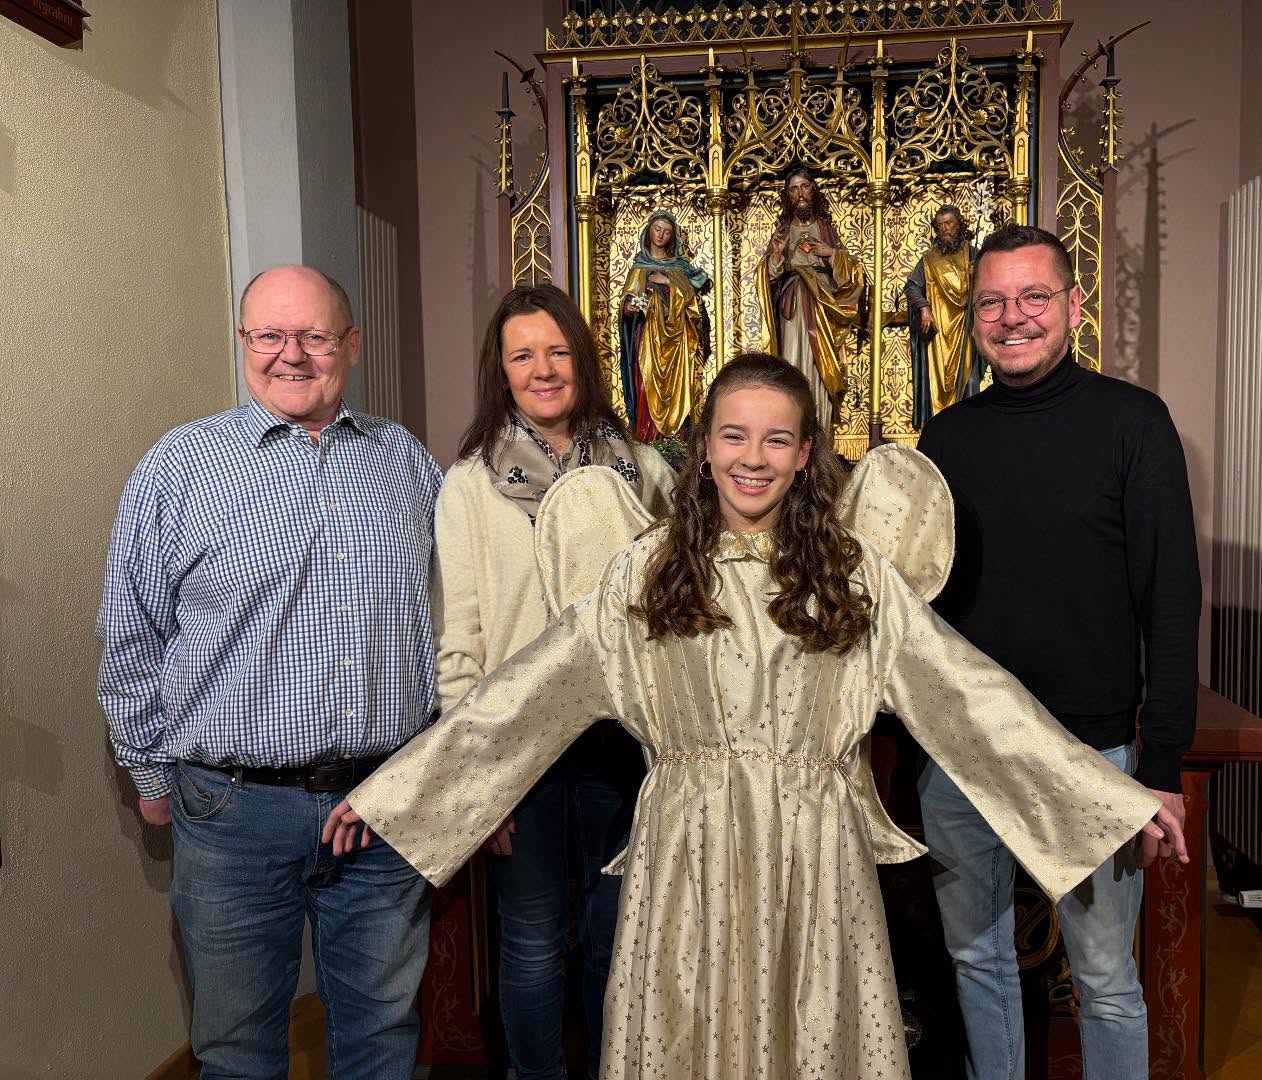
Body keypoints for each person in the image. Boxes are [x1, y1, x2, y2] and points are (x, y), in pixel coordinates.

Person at [323, 353, 1183, 1080]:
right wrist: (400, 793)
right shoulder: (642, 575)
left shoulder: (855, 577)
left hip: (818, 859)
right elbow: (523, 697)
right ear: (703, 448)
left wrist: (1107, 797)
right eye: (734, 435)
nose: (753, 458)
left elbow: (971, 697)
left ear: (806, 455)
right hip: (684, 858)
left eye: (777, 439)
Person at [97, 265, 441, 1078]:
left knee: (383, 1037)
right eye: (270, 335)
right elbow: (131, 631)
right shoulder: (180, 467)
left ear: (352, 346)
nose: (292, 354)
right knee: (238, 1048)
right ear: (243, 342)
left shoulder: (404, 461)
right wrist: (149, 772)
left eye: (315, 336)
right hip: (233, 813)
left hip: (385, 807)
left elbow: (452, 620)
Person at [917, 223, 1202, 1080]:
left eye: (1034, 296)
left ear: (1074, 305)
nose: (1013, 317)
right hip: (965, 750)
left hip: (1092, 752)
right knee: (978, 961)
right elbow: (918, 608)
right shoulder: (946, 438)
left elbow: (1171, 601)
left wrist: (1163, 766)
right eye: (992, 302)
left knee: (1106, 979)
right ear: (971, 317)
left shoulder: (1134, 424)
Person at [440, 284, 675, 1080]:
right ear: (500, 371)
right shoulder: (470, 484)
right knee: (534, 943)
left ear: (583, 357)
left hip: (622, 746)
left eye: (557, 350)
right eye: (522, 355)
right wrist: (476, 782)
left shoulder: (643, 472)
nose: (543, 369)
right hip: (522, 752)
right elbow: (460, 639)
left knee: (618, 939)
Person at [755, 166, 866, 430]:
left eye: (804, 187)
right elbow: (767, 278)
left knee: (821, 366)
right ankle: (793, 427)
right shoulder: (783, 231)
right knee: (793, 362)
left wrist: (832, 254)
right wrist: (776, 256)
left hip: (823, 306)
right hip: (793, 306)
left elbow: (852, 274)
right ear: (788, 195)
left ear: (813, 190)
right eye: (794, 189)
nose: (800, 194)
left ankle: (821, 429)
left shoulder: (825, 228)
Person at [618, 209, 711, 441]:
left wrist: (669, 281)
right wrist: (628, 307)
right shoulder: (639, 267)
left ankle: (677, 440)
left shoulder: (678, 267)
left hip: (677, 341)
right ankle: (648, 438)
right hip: (648, 338)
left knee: (678, 388)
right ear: (648, 232)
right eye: (657, 229)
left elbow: (692, 302)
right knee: (645, 386)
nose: (660, 235)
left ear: (672, 237)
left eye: (667, 232)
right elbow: (627, 303)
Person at [905, 204, 982, 428]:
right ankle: (940, 429)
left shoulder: (973, 255)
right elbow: (912, 286)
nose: (944, 229)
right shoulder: (929, 259)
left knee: (969, 381)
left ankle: (970, 429)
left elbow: (994, 287)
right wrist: (923, 307)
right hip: (939, 333)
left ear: (959, 225)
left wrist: (978, 275)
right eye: (939, 226)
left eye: (948, 223)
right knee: (935, 384)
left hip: (965, 328)